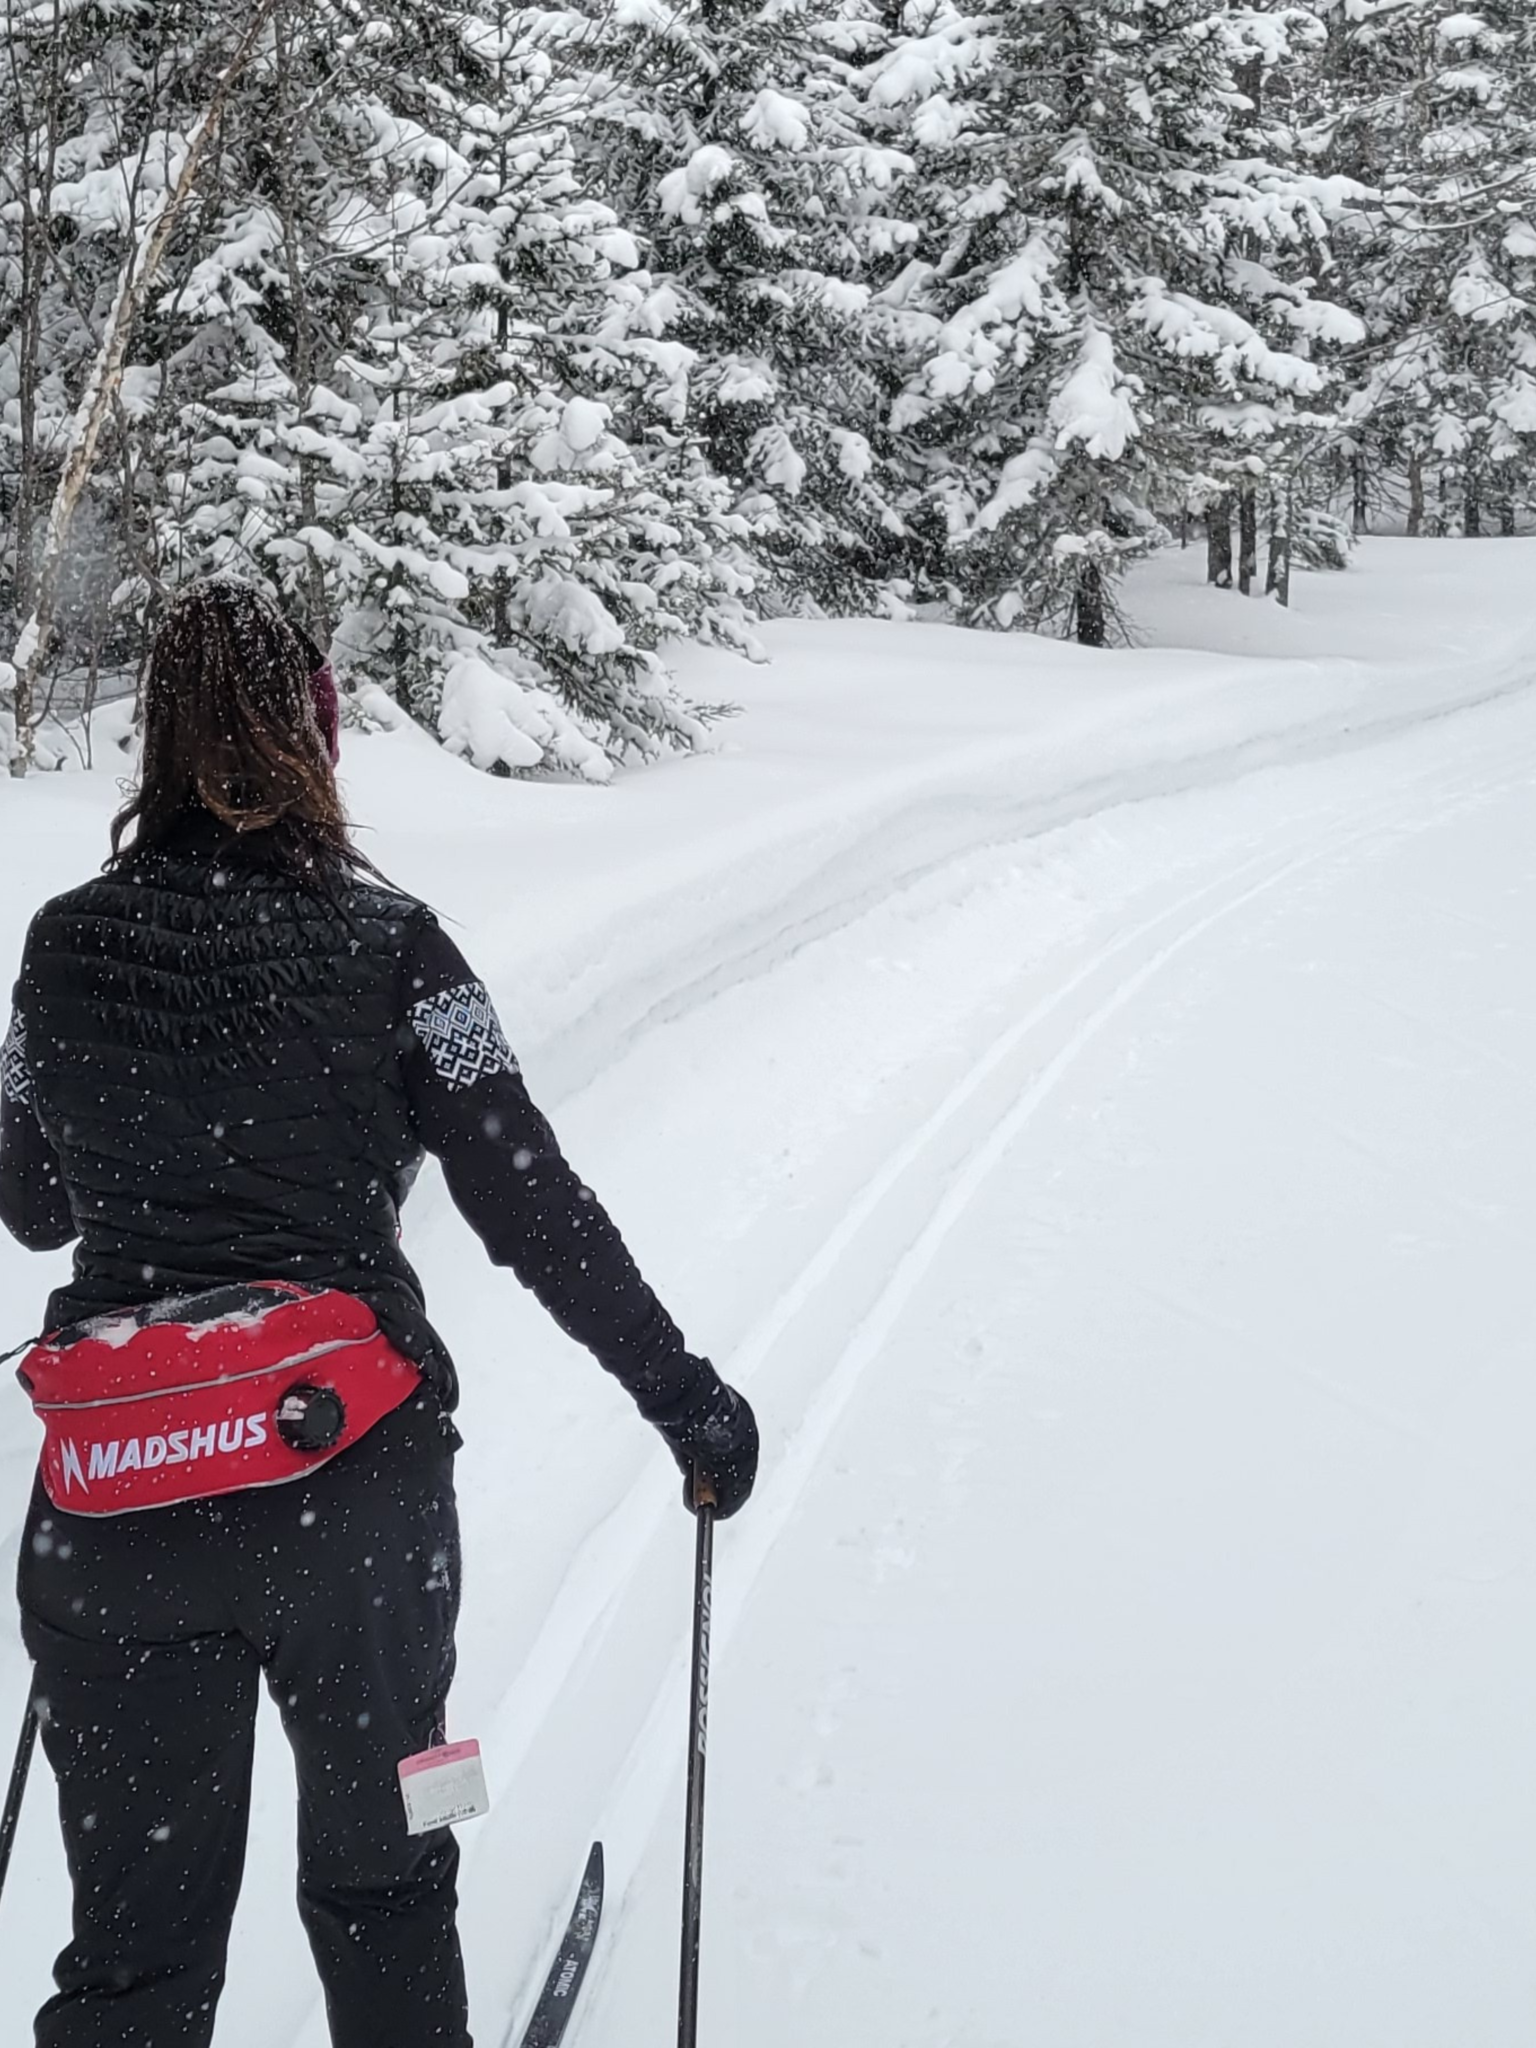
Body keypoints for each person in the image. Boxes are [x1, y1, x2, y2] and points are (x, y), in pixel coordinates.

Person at [0, 579, 758, 2048]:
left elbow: (34, 1207)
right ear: (317, 732)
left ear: (154, 741)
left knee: (134, 1958)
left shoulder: (56, 950)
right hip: (348, 1513)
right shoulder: (400, 949)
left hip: (118, 1511)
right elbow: (530, 1201)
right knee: (385, 1882)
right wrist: (688, 1402)